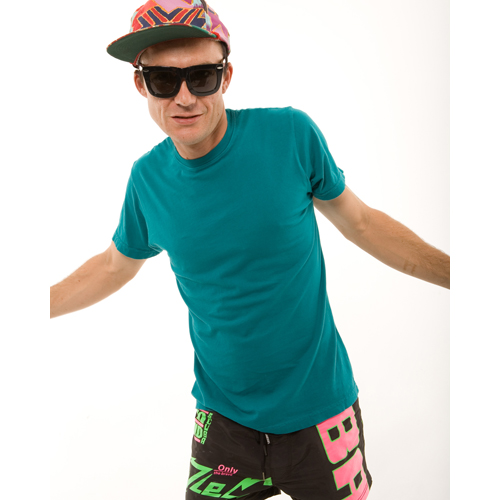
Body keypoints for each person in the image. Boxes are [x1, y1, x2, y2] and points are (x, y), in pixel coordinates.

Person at [50, 1, 450, 498]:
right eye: (163, 80)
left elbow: (362, 223)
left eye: (201, 77)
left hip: (322, 415)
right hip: (224, 425)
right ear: (140, 84)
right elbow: (114, 266)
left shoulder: (290, 136)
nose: (184, 98)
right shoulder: (147, 180)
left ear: (226, 77)